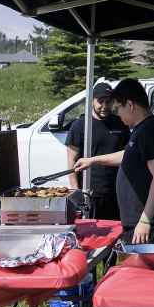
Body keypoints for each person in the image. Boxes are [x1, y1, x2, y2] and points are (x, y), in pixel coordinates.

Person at [74, 78, 154, 245]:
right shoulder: (141, 128)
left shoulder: (150, 130)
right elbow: (128, 155)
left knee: (142, 264)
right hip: (138, 219)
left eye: (118, 108)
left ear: (129, 104)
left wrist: (144, 220)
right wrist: (93, 160)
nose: (117, 113)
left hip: (150, 222)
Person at [66, 82, 130, 221]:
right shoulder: (80, 125)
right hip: (90, 193)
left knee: (115, 230)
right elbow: (72, 160)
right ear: (92, 101)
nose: (104, 106)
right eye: (100, 102)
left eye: (108, 102)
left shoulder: (121, 123)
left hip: (116, 192)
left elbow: (127, 156)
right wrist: (76, 190)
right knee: (90, 231)